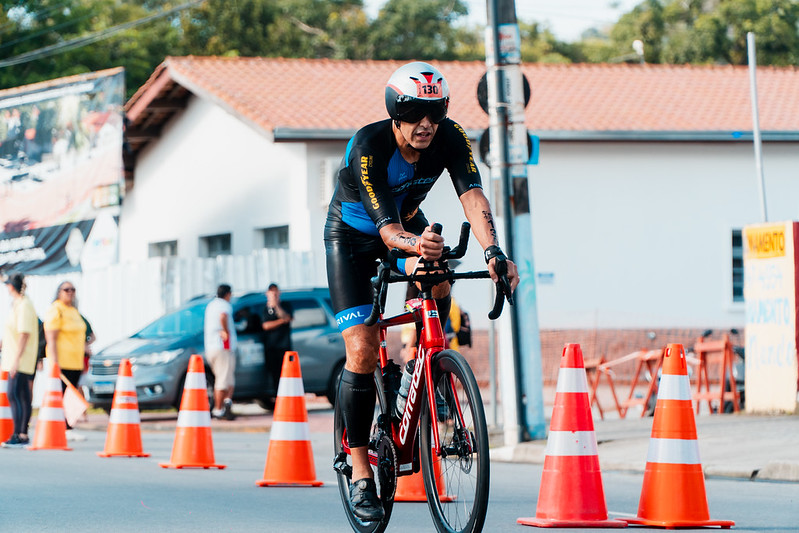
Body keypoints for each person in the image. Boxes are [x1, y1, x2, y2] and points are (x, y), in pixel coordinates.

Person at [323, 61, 519, 521]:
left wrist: (493, 253)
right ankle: (359, 471)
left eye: (434, 113)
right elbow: (388, 231)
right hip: (354, 238)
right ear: (395, 113)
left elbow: (472, 196)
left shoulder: (451, 138)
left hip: (405, 226)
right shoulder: (368, 145)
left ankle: (427, 367)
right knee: (363, 349)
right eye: (414, 114)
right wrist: (417, 246)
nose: (425, 124)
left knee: (440, 277)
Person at [43, 281, 86, 440]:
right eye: (66, 289)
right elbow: (51, 339)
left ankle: (68, 427)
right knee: (61, 394)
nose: (70, 292)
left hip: (76, 361)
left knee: (71, 395)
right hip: (62, 360)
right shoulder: (56, 309)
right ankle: (61, 427)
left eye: (73, 290)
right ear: (59, 292)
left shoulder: (73, 311)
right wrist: (54, 363)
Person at [0, 273, 38, 447]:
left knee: (14, 394)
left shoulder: (23, 305)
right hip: (16, 357)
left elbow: (24, 334)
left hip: (20, 359)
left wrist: (16, 360)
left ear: (11, 287)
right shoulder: (18, 304)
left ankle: (19, 433)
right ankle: (22, 433)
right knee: (22, 395)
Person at [204, 284, 237, 420]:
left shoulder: (210, 305)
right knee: (222, 380)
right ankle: (218, 410)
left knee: (227, 379)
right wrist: (226, 331)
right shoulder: (224, 305)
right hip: (222, 347)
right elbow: (223, 317)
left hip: (210, 347)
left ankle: (226, 405)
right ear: (228, 294)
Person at [261, 283, 293, 391]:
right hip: (271, 348)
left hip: (284, 346)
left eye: (276, 292)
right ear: (267, 294)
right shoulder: (265, 309)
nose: (274, 295)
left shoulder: (285, 305)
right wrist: (281, 321)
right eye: (271, 293)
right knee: (275, 375)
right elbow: (266, 325)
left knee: (286, 374)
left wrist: (277, 306)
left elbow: (287, 317)